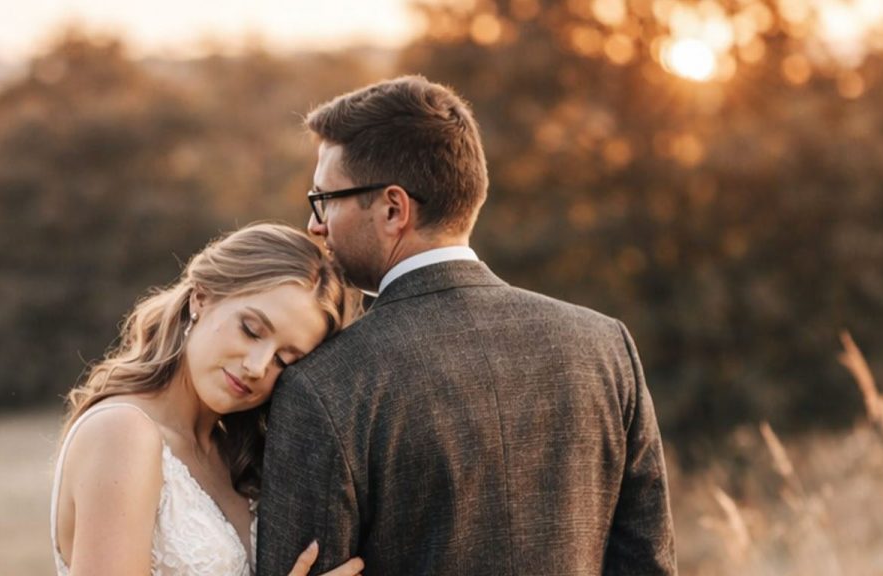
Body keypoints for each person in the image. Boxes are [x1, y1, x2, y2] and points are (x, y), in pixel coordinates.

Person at [255, 76, 678, 575]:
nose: (315, 225)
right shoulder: (605, 347)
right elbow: (648, 565)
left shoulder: (324, 385)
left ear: (393, 209)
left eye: (325, 199)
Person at [50, 223, 369, 576]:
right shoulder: (121, 432)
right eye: (250, 330)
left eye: (285, 360)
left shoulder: (238, 455)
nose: (257, 366)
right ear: (201, 297)